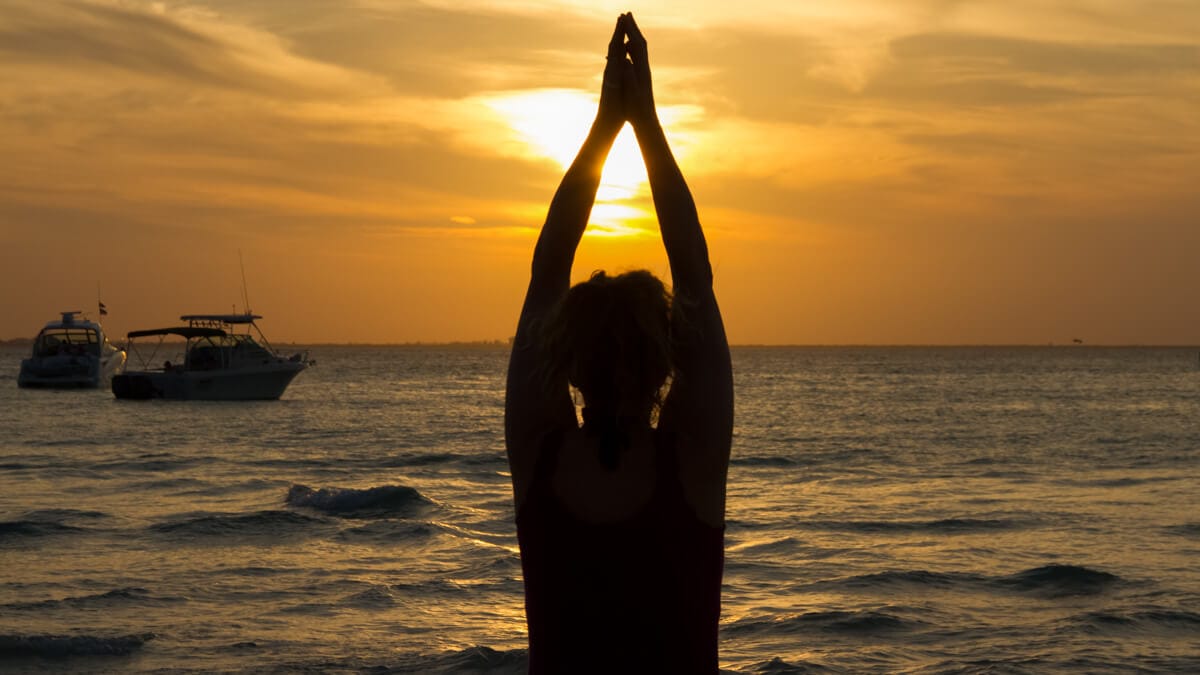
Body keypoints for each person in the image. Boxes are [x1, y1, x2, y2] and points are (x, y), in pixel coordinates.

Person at [505, 13, 733, 673]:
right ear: (665, 364)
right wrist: (646, 123)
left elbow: (548, 269)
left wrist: (607, 126)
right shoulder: (691, 461)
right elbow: (695, 274)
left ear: (568, 362)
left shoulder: (539, 455)